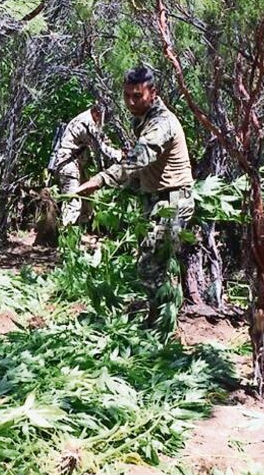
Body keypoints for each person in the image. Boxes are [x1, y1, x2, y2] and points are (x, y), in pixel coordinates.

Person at [73, 64, 195, 328]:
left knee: (152, 264)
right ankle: (160, 319)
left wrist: (101, 179)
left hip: (172, 200)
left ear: (153, 93)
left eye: (137, 96)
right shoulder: (142, 119)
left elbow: (140, 158)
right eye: (127, 96)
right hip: (154, 198)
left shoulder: (161, 123)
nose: (130, 102)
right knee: (152, 262)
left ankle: (162, 325)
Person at [48, 102, 123, 227]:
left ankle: (80, 229)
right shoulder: (85, 123)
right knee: (73, 202)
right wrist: (119, 155)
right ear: (98, 113)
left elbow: (102, 139)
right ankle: (66, 232)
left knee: (86, 198)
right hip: (68, 164)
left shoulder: (88, 121)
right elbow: (100, 146)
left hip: (76, 164)